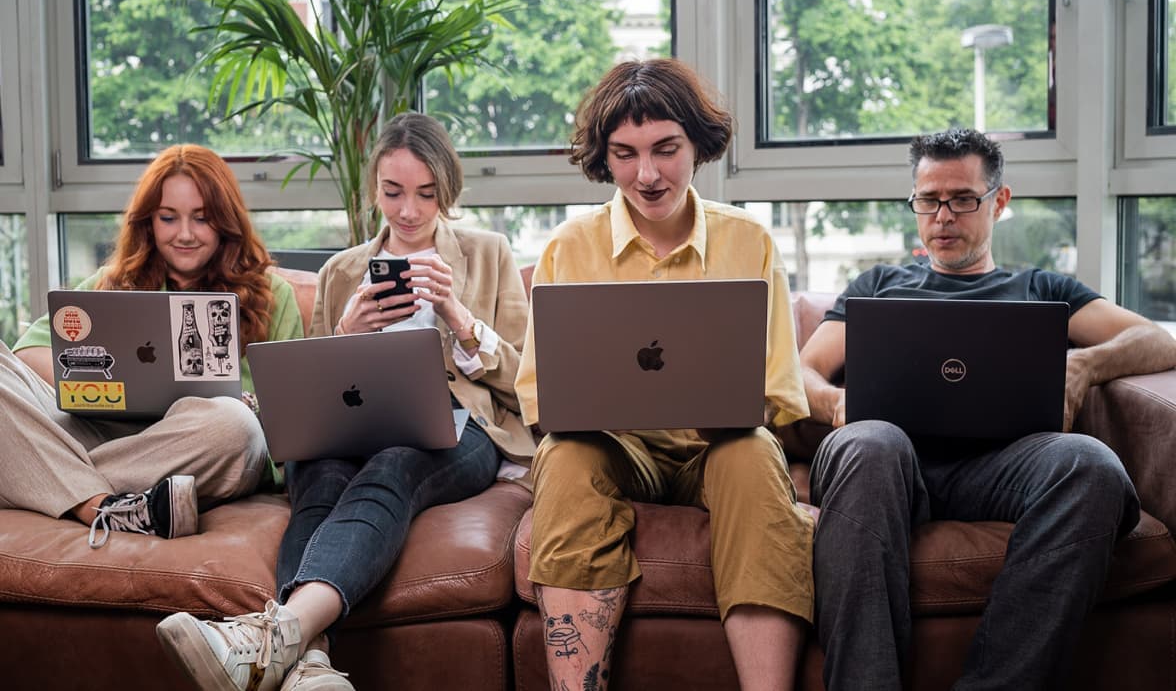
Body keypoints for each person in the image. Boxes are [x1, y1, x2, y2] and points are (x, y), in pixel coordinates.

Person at [156, 112, 535, 691]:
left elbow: (523, 382)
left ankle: (273, 639)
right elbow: (312, 389)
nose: (408, 211)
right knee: (318, 479)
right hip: (351, 426)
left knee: (393, 466)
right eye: (392, 192)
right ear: (374, 190)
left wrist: (459, 318)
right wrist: (347, 332)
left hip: (458, 425)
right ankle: (309, 665)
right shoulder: (341, 271)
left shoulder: (489, 254)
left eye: (426, 193)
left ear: (447, 190)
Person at [800, 128, 1176, 690]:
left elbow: (1157, 340)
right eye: (928, 200)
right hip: (885, 466)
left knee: (1091, 465)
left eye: (962, 199)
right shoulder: (878, 285)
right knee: (870, 441)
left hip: (1001, 470)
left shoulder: (1042, 289)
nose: (943, 217)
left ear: (999, 202)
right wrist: (836, 400)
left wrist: (1083, 365)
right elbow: (802, 371)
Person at [515, 58, 814, 691]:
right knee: (565, 455)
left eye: (665, 149)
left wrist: (726, 409)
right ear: (605, 158)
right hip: (615, 450)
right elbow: (541, 403)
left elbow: (778, 399)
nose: (647, 175)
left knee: (753, 451)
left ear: (697, 145)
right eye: (625, 155)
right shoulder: (569, 247)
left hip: (718, 449)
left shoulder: (750, 241)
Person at [4, 144, 303, 549]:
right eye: (168, 218)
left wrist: (249, 406)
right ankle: (104, 505)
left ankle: (40, 478)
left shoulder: (274, 295)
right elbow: (27, 356)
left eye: (202, 218)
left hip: (202, 445)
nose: (185, 234)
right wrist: (106, 373)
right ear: (148, 221)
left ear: (225, 220)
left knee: (235, 425)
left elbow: (292, 423)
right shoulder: (114, 283)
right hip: (108, 432)